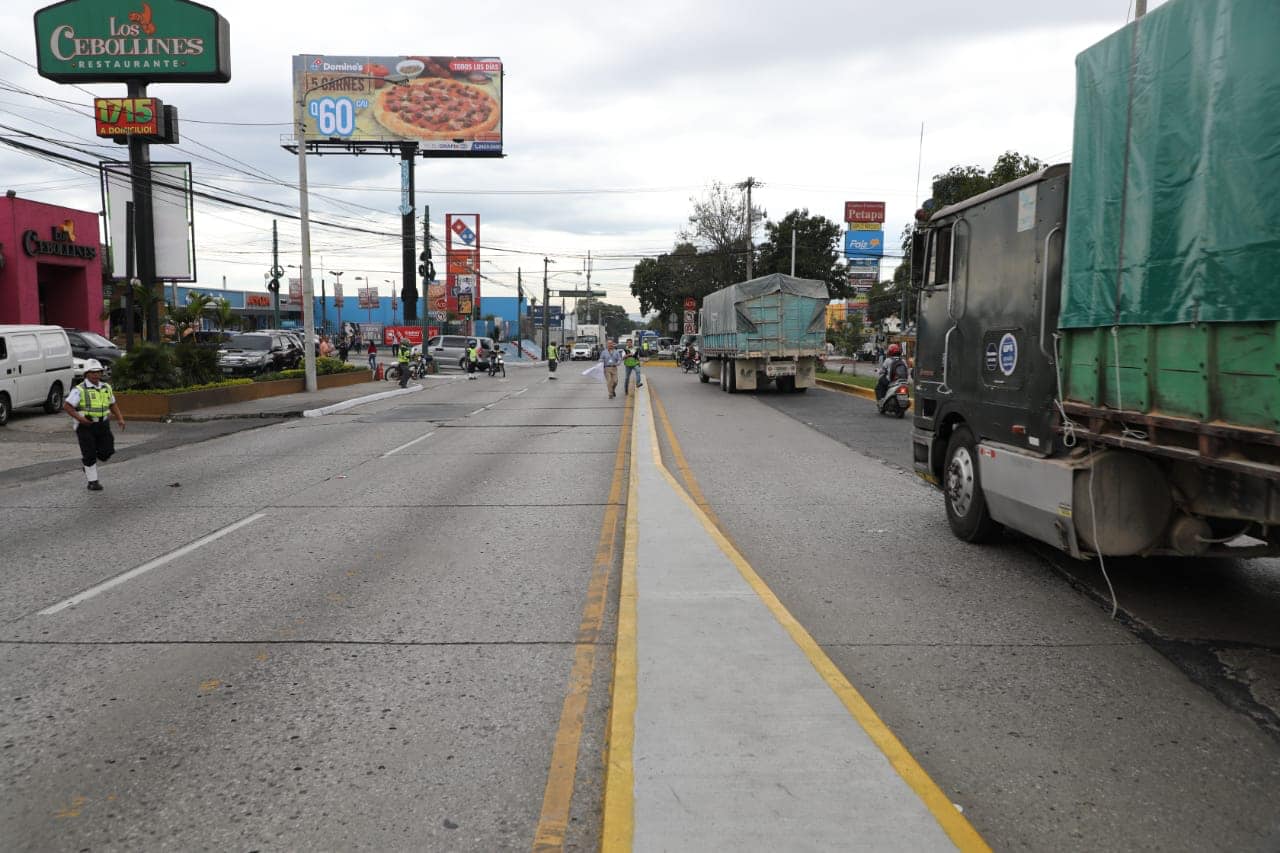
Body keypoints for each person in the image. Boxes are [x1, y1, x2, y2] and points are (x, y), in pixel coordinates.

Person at [62, 360, 125, 492]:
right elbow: (67, 406)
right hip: (86, 426)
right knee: (89, 454)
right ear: (86, 374)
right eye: (93, 372)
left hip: (103, 424)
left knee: (107, 452)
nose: (96, 375)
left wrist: (120, 418)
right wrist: (80, 419)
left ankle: (89, 466)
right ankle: (93, 481)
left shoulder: (106, 387)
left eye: (98, 372)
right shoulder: (79, 389)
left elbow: (113, 403)